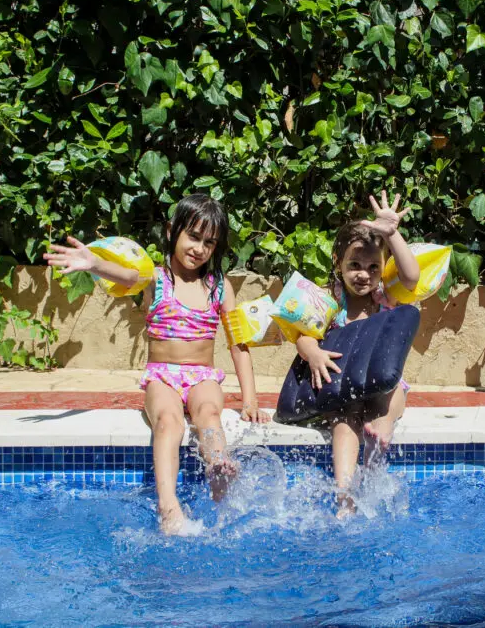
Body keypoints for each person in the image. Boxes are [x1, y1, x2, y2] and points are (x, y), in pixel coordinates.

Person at [44, 193, 269, 534]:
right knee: (167, 421)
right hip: (162, 377)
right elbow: (126, 276)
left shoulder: (219, 287)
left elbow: (238, 344)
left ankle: (217, 467)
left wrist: (250, 400)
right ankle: (169, 507)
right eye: (193, 236)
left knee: (209, 412)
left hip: (202, 375)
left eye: (209, 242)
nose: (199, 248)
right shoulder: (156, 279)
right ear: (171, 231)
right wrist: (93, 264)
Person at [295, 191, 420, 516]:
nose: (364, 274)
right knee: (344, 421)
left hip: (379, 385)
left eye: (373, 267)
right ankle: (345, 497)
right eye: (354, 265)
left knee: (392, 397)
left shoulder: (386, 296)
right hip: (343, 387)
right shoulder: (329, 299)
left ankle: (381, 431)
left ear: (383, 267)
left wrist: (392, 235)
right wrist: (314, 354)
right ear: (338, 261)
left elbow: (411, 277)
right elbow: (303, 337)